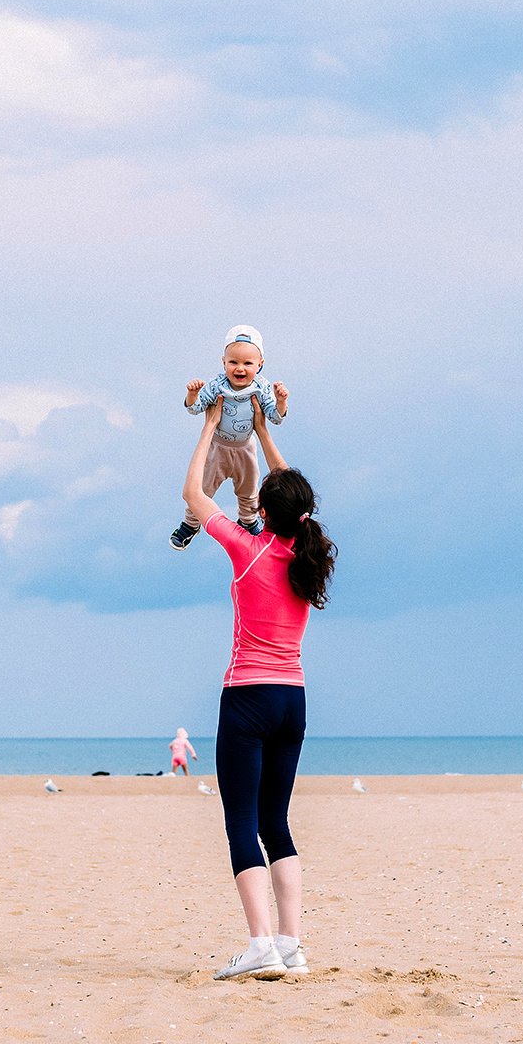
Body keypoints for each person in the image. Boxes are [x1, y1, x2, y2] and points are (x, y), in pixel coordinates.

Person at [181, 398, 335, 981]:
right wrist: (266, 435)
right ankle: (292, 944)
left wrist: (209, 431)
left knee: (241, 822)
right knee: (277, 821)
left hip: (247, 698)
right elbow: (293, 494)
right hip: (292, 700)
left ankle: (261, 946)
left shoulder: (249, 549)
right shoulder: (309, 554)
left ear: (262, 511)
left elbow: (195, 493)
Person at [171, 325, 289, 548]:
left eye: (248, 363)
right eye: (233, 362)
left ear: (260, 365)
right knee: (203, 488)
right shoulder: (217, 386)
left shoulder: (262, 388)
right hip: (217, 447)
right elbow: (195, 409)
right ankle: (190, 523)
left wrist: (280, 402)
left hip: (246, 448)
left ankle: (247, 521)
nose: (240, 368)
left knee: (250, 489)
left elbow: (275, 418)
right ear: (223, 362)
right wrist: (192, 394)